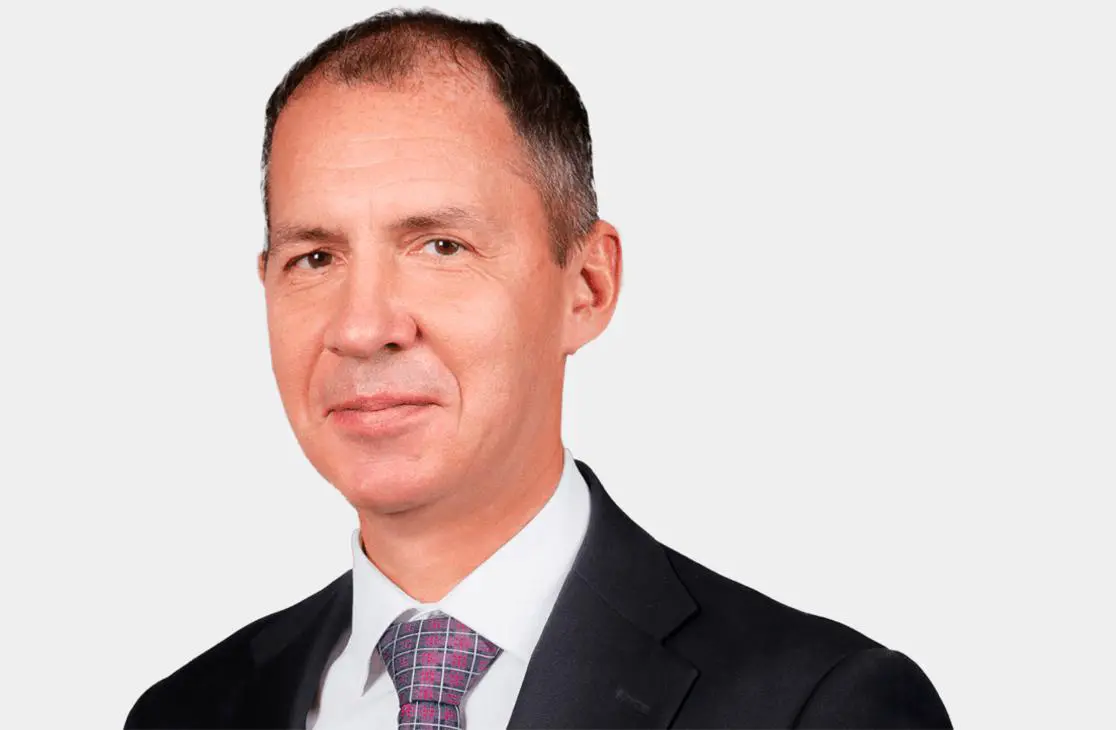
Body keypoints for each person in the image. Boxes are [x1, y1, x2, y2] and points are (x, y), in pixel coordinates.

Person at [125, 8, 952, 729]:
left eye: (440, 246)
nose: (363, 327)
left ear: (587, 287)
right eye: (314, 258)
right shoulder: (188, 711)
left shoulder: (818, 705)